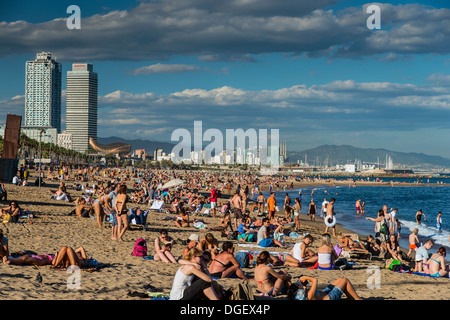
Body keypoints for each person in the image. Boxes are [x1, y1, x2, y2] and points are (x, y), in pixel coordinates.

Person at [293, 275, 362, 300]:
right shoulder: (309, 295)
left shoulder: (302, 295)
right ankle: (357, 299)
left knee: (341, 279)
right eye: (298, 285)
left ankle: (351, 296)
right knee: (345, 280)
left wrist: (303, 285)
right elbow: (314, 280)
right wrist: (305, 277)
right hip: (330, 297)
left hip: (325, 292)